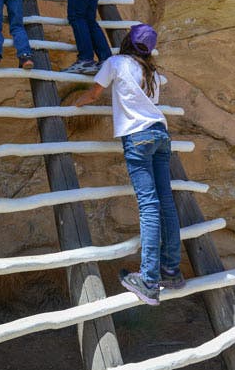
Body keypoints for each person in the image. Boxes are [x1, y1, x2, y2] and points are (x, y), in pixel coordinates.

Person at [75, 24, 185, 306]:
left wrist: (77, 103)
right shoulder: (152, 73)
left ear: (127, 41)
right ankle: (171, 270)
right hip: (161, 134)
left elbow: (94, 93)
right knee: (165, 202)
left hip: (137, 137)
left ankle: (149, 280)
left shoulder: (116, 63)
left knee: (148, 205)